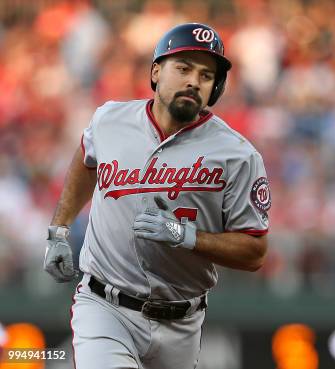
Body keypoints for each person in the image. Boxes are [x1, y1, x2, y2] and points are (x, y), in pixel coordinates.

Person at [43, 23, 271, 369]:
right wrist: (59, 230)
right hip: (105, 306)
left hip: (183, 320)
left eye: (206, 75)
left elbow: (254, 251)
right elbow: (86, 159)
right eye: (183, 68)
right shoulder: (110, 120)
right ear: (155, 71)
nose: (194, 81)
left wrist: (187, 236)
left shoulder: (238, 155)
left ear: (215, 88)